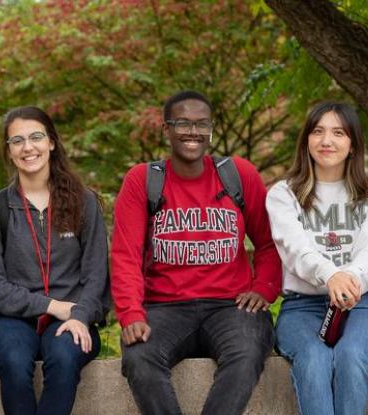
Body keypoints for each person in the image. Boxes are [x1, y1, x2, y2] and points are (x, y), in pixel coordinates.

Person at [109, 90, 283, 415]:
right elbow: (125, 256)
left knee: (247, 354)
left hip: (231, 306)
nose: (193, 132)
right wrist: (131, 313)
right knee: (140, 357)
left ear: (211, 129)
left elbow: (269, 243)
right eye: (183, 123)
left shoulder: (238, 174)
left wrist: (264, 288)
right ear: (166, 129)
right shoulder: (143, 180)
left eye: (202, 124)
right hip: (165, 307)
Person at [0, 106, 110, 415]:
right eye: (17, 140)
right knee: (14, 359)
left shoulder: (83, 202)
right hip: (11, 320)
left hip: (73, 317)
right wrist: (51, 306)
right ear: (9, 151)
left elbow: (96, 275)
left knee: (64, 357)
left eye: (36, 137)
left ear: (51, 142)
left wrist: (79, 315)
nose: (28, 147)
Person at [266, 102, 368, 415]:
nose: (326, 141)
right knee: (314, 358)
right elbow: (294, 248)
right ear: (307, 140)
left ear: (352, 144)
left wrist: (348, 280)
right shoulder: (284, 194)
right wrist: (330, 275)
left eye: (338, 133)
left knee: (351, 355)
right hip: (302, 306)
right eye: (318, 131)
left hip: (359, 305)